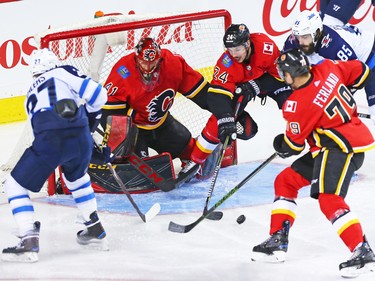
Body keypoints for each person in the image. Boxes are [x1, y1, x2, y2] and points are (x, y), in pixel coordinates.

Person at [251, 48, 375, 278]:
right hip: (343, 142)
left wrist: (282, 143)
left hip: (338, 147)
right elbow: (361, 71)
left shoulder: (297, 103)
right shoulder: (327, 68)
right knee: (286, 181)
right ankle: (278, 240)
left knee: (329, 199)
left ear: (290, 74)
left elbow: (294, 145)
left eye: (283, 73)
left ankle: (362, 251)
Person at [2, 48, 109, 263]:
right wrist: (87, 130)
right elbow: (100, 96)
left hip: (49, 135)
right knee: (77, 178)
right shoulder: (63, 71)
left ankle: (28, 236)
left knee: (13, 185)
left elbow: (46, 134)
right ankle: (94, 227)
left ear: (34, 71)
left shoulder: (29, 96)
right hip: (78, 132)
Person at [177, 23, 294, 184]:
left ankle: (304, 138)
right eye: (230, 50)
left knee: (294, 103)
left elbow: (280, 76)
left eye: (237, 49)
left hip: (268, 83)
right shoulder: (226, 63)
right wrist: (225, 119)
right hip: (242, 90)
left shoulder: (265, 47)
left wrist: (257, 85)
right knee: (236, 127)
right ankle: (195, 161)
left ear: (247, 44)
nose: (233, 54)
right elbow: (216, 96)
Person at [101, 37, 216, 183]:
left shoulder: (173, 63)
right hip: (135, 129)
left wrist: (223, 109)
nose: (148, 68)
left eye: (153, 63)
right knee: (139, 171)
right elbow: (108, 111)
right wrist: (120, 142)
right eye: (143, 62)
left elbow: (199, 91)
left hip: (160, 122)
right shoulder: (123, 70)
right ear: (136, 59)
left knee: (187, 145)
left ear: (160, 59)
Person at [283, 10, 375, 123]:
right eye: (298, 36)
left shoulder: (334, 46)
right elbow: (284, 62)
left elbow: (356, 75)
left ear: (317, 33)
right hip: (350, 59)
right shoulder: (295, 41)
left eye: (305, 37)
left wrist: (331, 101)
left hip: (370, 57)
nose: (300, 41)